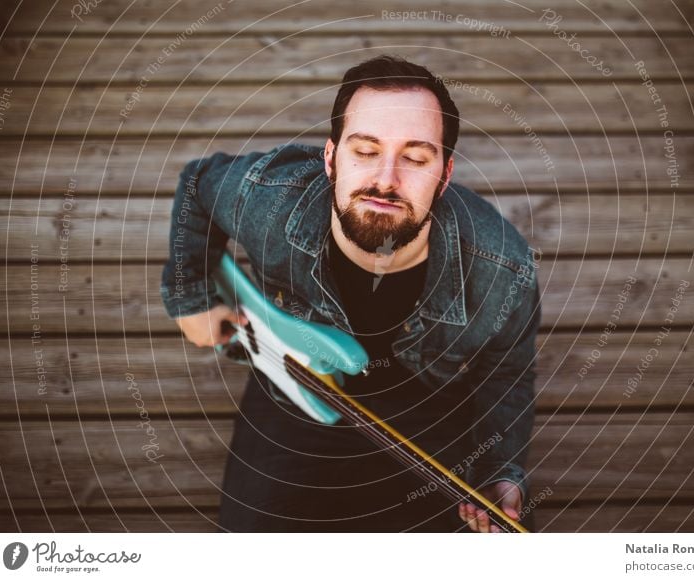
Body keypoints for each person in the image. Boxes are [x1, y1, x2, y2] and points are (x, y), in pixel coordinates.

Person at [160, 55, 540, 533]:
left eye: (416, 158)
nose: (385, 179)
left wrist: (500, 472)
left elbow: (505, 372)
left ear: (444, 176)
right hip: (292, 376)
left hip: (427, 402)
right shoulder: (269, 199)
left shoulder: (505, 269)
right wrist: (190, 298)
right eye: (364, 151)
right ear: (329, 157)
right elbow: (198, 184)